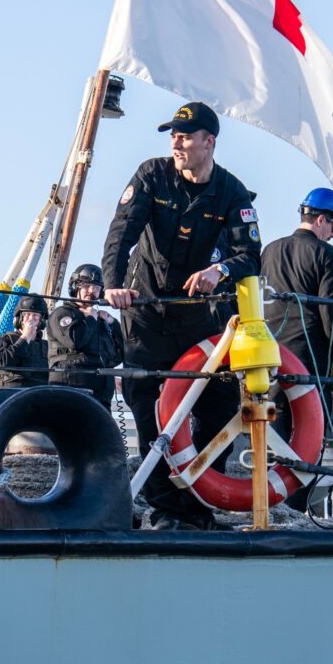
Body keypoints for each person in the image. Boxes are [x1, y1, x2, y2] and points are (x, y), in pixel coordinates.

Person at [103, 101, 261, 530]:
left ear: (209, 142)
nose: (176, 141)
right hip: (148, 314)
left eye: (186, 135)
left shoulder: (232, 192)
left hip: (199, 317)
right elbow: (122, 232)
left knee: (220, 404)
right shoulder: (152, 175)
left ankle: (197, 504)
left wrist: (220, 269)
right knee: (149, 408)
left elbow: (251, 254)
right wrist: (112, 283)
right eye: (173, 134)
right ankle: (165, 509)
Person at [261, 187, 333, 511]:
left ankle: (273, 505)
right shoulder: (325, 255)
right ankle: (295, 509)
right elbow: (329, 311)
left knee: (278, 432)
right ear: (322, 220)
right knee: (309, 436)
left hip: (272, 355)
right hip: (309, 357)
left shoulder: (269, 250)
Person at [48, 263, 124, 407]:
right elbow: (75, 341)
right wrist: (90, 318)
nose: (91, 291)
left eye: (96, 287)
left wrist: (113, 323)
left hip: (101, 398)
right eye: (86, 286)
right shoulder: (62, 314)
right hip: (71, 392)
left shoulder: (101, 321)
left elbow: (118, 356)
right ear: (75, 287)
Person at [0, 295, 50, 389]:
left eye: (35, 315)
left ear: (41, 321)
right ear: (20, 318)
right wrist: (25, 338)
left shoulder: (47, 346)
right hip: (10, 395)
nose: (31, 318)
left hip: (38, 396)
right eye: (27, 314)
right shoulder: (6, 340)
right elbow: (0, 363)